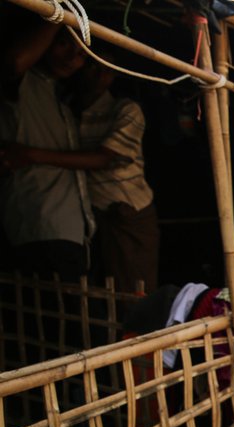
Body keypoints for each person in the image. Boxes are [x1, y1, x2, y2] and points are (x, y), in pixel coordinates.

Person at [0, 20, 92, 279]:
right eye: (64, 44)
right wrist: (58, 14)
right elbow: (14, 62)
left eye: (83, 54)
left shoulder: (61, 99)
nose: (72, 58)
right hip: (39, 222)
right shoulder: (24, 83)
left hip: (68, 227)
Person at [75, 52, 158, 292]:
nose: (101, 76)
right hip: (91, 217)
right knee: (99, 291)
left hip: (129, 213)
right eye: (94, 67)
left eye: (108, 70)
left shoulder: (126, 110)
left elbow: (105, 158)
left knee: (134, 293)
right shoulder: (68, 108)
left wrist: (33, 155)